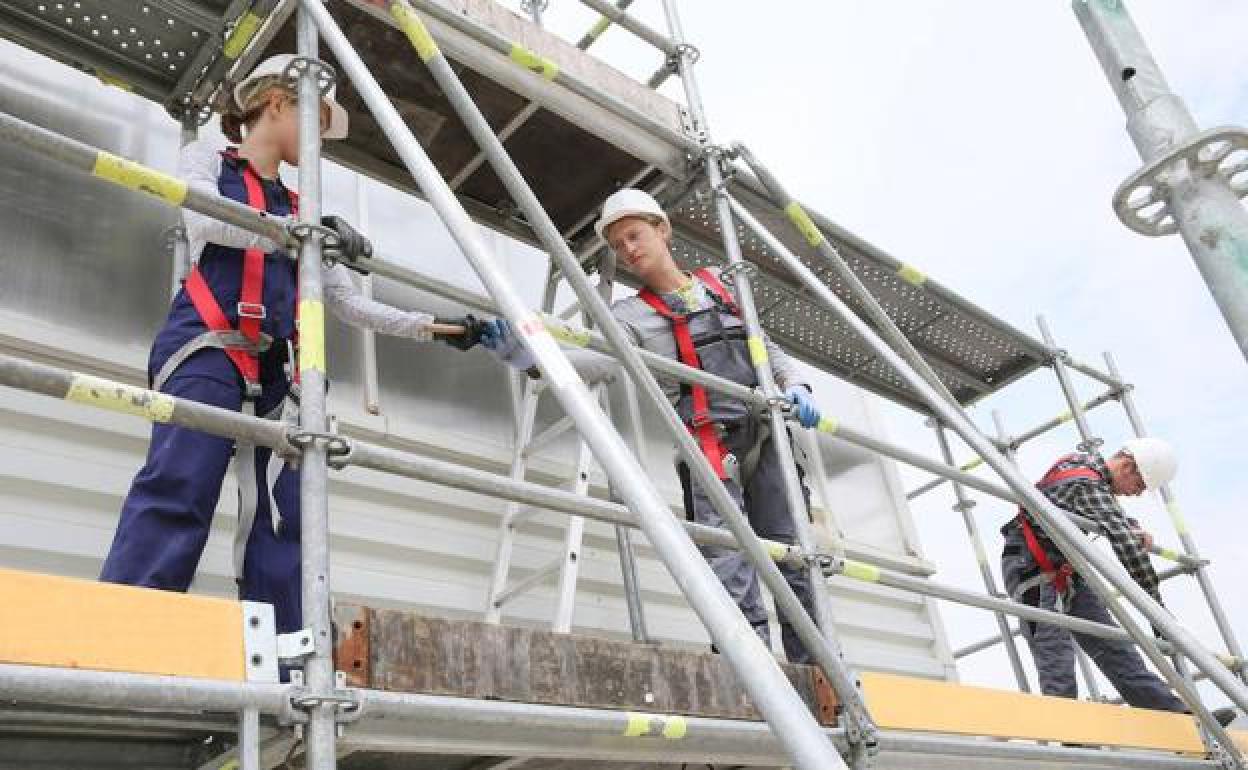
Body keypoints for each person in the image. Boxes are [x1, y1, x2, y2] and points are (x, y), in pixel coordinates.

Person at [100, 54, 483, 639]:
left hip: (278, 373)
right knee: (180, 484)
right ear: (276, 103)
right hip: (207, 349)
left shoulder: (304, 210)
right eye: (316, 120)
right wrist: (300, 234)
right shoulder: (209, 159)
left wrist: (439, 326)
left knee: (282, 517)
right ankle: (120, 635)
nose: (320, 143)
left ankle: (280, 656)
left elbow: (352, 305)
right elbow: (209, 224)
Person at [483, 189, 824, 663]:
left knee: (792, 555)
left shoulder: (722, 286)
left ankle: (819, 671)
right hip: (708, 444)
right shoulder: (630, 317)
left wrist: (798, 386)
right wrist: (530, 357)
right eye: (619, 245)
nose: (629, 250)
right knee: (730, 560)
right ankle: (752, 670)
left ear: (662, 230)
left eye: (634, 236)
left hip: (769, 438)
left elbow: (765, 346)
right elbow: (598, 362)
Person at [1001, 438, 1233, 723]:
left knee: (1114, 645)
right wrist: (1156, 610)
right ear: (1127, 467)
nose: (1135, 495)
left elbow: (1106, 513)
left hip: (1063, 568)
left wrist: (1130, 526)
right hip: (1029, 566)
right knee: (1054, 651)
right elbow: (1129, 550)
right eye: (1138, 487)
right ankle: (1070, 736)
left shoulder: (1085, 472)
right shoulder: (1087, 483)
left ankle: (1178, 719)